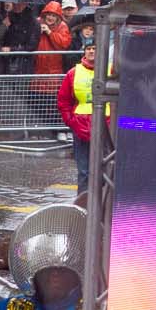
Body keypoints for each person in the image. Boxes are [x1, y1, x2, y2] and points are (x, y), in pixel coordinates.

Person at [57, 41, 96, 202]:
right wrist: (70, 120)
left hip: (106, 126)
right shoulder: (73, 73)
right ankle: (83, 202)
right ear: (84, 52)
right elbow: (63, 99)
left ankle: (102, 202)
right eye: (89, 49)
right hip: (80, 126)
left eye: (95, 49)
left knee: (104, 169)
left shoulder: (110, 71)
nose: (92, 52)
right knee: (84, 170)